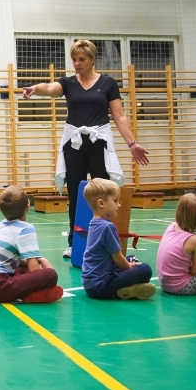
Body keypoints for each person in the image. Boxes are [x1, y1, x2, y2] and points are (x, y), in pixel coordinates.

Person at [23, 39, 149, 258]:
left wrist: (132, 143)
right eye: (74, 59)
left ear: (92, 59)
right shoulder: (69, 83)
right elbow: (51, 88)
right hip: (74, 143)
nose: (77, 63)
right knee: (76, 192)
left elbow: (119, 116)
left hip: (98, 142)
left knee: (102, 193)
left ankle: (103, 239)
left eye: (82, 59)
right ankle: (74, 242)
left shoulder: (108, 83)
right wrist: (36, 88)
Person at [0, 185, 63, 303]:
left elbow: (10, 260)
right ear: (28, 205)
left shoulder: (0, 225)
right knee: (50, 275)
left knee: (22, 267)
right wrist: (44, 263)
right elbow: (35, 269)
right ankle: (35, 293)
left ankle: (27, 292)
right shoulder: (26, 228)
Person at [81, 179, 155, 300]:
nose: (119, 205)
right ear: (101, 203)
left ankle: (126, 289)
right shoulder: (107, 226)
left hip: (90, 284)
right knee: (145, 269)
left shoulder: (94, 223)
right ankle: (124, 290)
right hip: (101, 286)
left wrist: (130, 263)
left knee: (130, 257)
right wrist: (131, 267)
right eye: (115, 201)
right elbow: (118, 258)